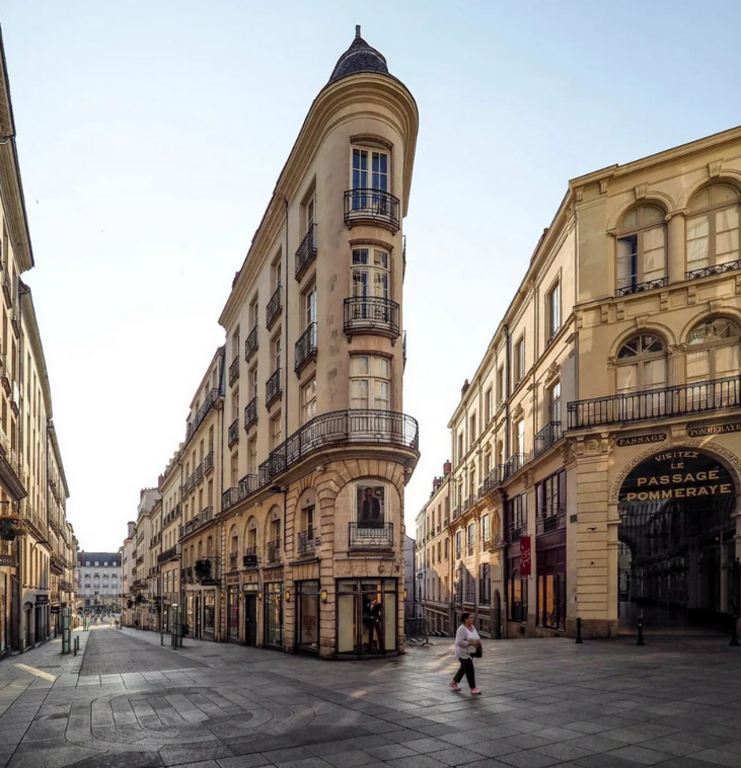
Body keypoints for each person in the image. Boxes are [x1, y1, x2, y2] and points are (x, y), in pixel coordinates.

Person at [450, 612, 482, 695]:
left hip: (471, 652)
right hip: (462, 652)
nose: (473, 619)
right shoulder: (461, 629)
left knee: (463, 668)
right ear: (466, 619)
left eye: (473, 617)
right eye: (471, 617)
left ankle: (453, 683)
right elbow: (459, 641)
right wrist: (471, 643)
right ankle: (473, 688)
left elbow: (476, 636)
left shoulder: (472, 627)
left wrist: (478, 641)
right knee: (469, 668)